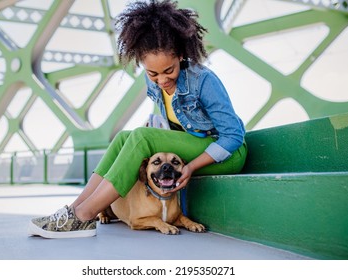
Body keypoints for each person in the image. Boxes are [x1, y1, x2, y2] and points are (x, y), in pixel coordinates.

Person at [28, 0, 247, 239]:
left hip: (225, 154)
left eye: (169, 71)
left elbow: (233, 136)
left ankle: (85, 215)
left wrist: (191, 166)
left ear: (181, 55)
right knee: (125, 137)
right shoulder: (151, 82)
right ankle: (74, 210)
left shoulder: (203, 80)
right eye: (153, 73)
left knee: (140, 136)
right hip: (189, 148)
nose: (161, 80)